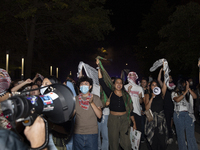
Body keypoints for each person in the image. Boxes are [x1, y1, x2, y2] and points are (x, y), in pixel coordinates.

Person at [96, 58, 135, 150]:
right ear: (114, 84)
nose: (119, 84)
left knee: (126, 143)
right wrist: (99, 67)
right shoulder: (110, 93)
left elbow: (130, 109)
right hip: (113, 120)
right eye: (117, 82)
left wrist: (134, 122)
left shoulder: (126, 95)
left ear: (122, 85)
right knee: (113, 142)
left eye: (121, 83)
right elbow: (101, 81)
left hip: (124, 120)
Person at [73, 76, 103, 150]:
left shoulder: (96, 98)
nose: (83, 86)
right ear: (79, 86)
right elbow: (71, 116)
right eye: (81, 84)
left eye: (86, 84)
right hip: (78, 133)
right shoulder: (75, 99)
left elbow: (99, 115)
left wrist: (91, 102)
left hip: (91, 133)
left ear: (90, 86)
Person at [144, 69, 168, 150]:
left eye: (156, 85)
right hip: (152, 121)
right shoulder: (147, 95)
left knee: (162, 143)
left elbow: (165, 83)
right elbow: (147, 108)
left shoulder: (162, 94)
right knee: (154, 143)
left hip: (161, 121)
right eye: (152, 85)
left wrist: (165, 70)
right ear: (150, 87)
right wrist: (152, 98)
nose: (154, 86)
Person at [171, 79, 198, 150]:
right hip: (179, 115)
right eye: (184, 84)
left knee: (191, 135)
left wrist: (188, 89)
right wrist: (185, 91)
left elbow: (195, 97)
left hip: (189, 115)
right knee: (181, 136)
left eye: (186, 84)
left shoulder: (189, 92)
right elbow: (177, 100)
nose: (185, 85)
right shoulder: (174, 93)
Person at [124, 72, 144, 149]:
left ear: (136, 77)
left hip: (137, 112)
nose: (132, 77)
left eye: (134, 76)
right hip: (128, 113)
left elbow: (141, 102)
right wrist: (128, 92)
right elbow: (124, 100)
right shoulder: (125, 87)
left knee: (137, 133)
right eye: (130, 76)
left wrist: (140, 98)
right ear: (128, 77)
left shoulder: (139, 88)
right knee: (128, 132)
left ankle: (136, 147)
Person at [157, 68, 175, 144]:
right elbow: (158, 79)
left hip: (174, 108)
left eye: (170, 78)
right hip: (166, 108)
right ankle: (170, 137)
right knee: (167, 122)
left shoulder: (174, 87)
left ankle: (177, 137)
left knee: (175, 123)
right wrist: (161, 71)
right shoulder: (164, 86)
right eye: (168, 77)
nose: (169, 78)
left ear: (171, 79)